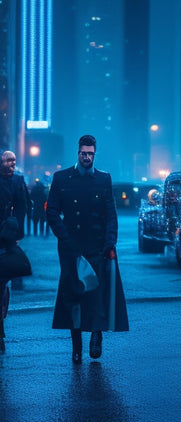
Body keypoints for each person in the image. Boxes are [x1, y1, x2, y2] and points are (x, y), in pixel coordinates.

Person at [46, 135, 128, 364]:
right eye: (84, 153)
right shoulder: (62, 178)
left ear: (95, 153)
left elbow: (110, 215)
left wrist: (110, 243)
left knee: (96, 296)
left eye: (90, 153)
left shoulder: (103, 179)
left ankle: (96, 335)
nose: (87, 157)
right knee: (73, 298)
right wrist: (65, 238)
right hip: (71, 249)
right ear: (78, 152)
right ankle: (76, 348)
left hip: (96, 246)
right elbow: (51, 211)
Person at [0, 150, 27, 354]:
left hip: (8, 235)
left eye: (13, 160)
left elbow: (22, 208)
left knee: (3, 281)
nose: (11, 163)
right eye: (7, 160)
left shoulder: (18, 181)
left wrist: (17, 232)